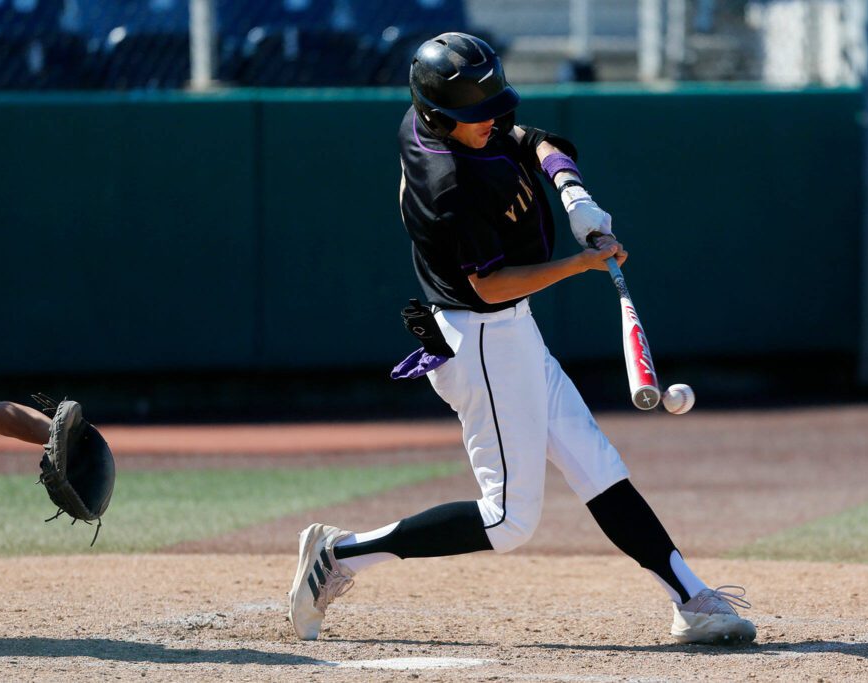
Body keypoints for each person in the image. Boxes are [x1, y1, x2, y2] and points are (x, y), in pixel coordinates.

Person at [288, 32, 756, 646]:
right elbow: (489, 287)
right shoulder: (447, 183)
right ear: (438, 116)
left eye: (488, 107)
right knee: (507, 521)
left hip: (510, 333)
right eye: (472, 115)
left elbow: (529, 138)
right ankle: (340, 554)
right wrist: (580, 264)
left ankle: (690, 598)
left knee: (596, 465)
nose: (488, 121)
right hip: (480, 338)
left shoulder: (446, 117)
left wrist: (572, 192)